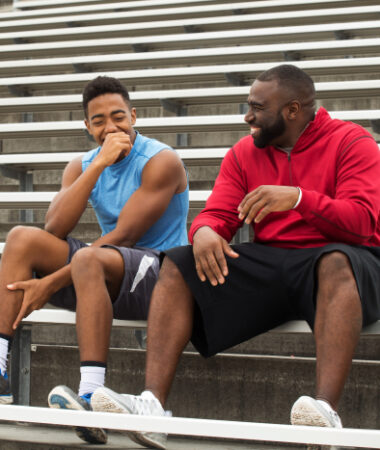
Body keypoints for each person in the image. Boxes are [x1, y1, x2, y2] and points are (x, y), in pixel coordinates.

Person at [88, 64, 380, 450]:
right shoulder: (245, 152)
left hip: (346, 260)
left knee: (336, 261)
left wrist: (297, 198)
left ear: (292, 110)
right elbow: (217, 213)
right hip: (273, 261)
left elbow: (363, 222)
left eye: (258, 107)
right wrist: (205, 231)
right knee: (178, 261)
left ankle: (325, 415)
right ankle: (152, 406)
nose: (248, 116)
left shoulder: (352, 141)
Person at [0, 76, 189, 444]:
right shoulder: (84, 164)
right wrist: (99, 164)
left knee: (89, 258)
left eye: (119, 116)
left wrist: (51, 282)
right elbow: (54, 226)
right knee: (22, 239)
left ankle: (89, 395)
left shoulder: (161, 160)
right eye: (99, 121)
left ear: (133, 116)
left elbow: (124, 237)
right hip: (106, 269)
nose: (111, 126)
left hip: (163, 275)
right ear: (88, 127)